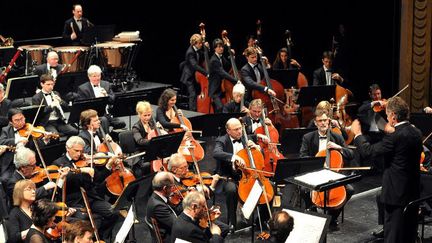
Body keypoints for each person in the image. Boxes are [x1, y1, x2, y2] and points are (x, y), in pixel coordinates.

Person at [351, 96, 423, 243]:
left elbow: (368, 151)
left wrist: (357, 134)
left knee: (393, 237)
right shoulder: (416, 132)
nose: (387, 117)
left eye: (388, 114)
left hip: (395, 196)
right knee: (408, 235)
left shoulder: (394, 137)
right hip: (412, 193)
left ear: (393, 116)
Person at [52, 135, 121, 242]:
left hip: (91, 198)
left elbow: (97, 179)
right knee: (87, 221)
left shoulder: (85, 160)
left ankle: (102, 236)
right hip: (74, 202)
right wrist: (83, 170)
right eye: (76, 151)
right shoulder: (59, 163)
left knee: (114, 213)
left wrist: (108, 165)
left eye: (81, 151)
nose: (79, 154)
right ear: (67, 148)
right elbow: (66, 179)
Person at [299, 109, 354, 230]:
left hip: (334, 174)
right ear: (315, 122)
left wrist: (339, 148)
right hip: (315, 173)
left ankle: (333, 217)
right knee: (303, 189)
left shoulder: (337, 137)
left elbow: (351, 154)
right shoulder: (308, 137)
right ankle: (312, 210)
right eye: (320, 121)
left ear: (329, 121)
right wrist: (317, 161)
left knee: (349, 190)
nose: (323, 123)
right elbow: (302, 156)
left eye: (325, 120)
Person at [213, 118, 267, 233]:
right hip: (229, 176)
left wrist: (258, 149)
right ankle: (232, 223)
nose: (239, 132)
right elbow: (216, 153)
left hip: (248, 175)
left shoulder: (246, 138)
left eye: (240, 128)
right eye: (236, 129)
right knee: (231, 190)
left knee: (268, 186)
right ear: (228, 131)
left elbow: (260, 157)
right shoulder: (222, 140)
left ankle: (261, 221)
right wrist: (234, 157)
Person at [77, 65, 126, 130]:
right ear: (89, 77)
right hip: (92, 116)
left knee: (121, 123)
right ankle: (104, 138)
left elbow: (113, 100)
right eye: (94, 76)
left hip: (106, 114)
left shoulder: (106, 84)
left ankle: (111, 136)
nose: (97, 78)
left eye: (98, 76)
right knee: (104, 120)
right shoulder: (83, 89)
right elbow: (83, 107)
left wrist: (106, 96)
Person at [208, 38, 239, 113]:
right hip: (215, 90)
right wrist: (236, 81)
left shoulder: (221, 57)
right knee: (220, 107)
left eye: (222, 46)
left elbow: (228, 66)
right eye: (219, 47)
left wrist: (232, 57)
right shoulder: (214, 60)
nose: (221, 48)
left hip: (222, 89)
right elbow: (222, 73)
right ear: (215, 48)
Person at [179, 33, 208, 111]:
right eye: (200, 43)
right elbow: (195, 65)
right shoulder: (190, 52)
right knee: (193, 94)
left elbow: (202, 55)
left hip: (195, 76)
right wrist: (206, 73)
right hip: (189, 77)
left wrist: (207, 49)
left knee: (198, 92)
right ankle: (193, 112)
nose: (201, 44)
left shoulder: (197, 49)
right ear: (195, 44)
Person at [146, 171, 177, 243]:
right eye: (172, 186)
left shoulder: (156, 197)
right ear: (165, 188)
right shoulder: (158, 206)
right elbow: (177, 225)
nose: (173, 189)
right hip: (169, 238)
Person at [131, 101, 154, 177]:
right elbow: (140, 141)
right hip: (141, 153)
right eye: (145, 115)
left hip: (151, 151)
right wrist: (153, 141)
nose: (147, 117)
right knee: (148, 164)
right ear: (139, 115)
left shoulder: (151, 123)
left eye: (149, 115)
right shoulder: (136, 127)